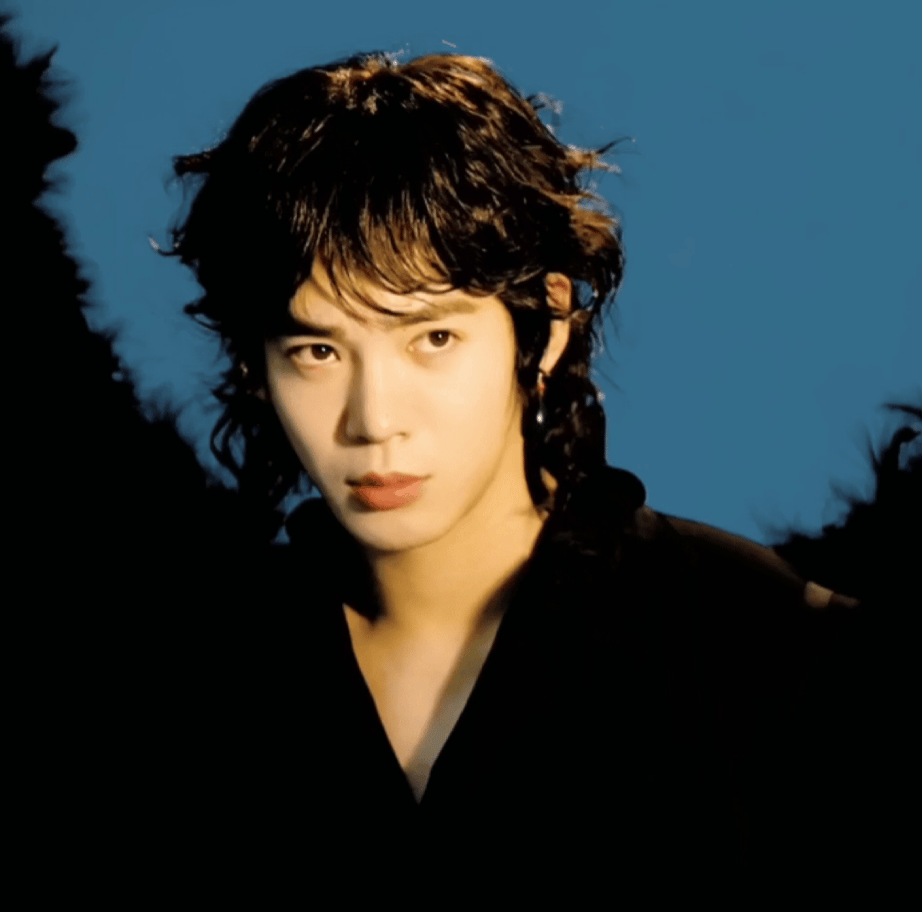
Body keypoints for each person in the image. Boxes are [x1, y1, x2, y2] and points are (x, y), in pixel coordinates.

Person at [160, 52, 881, 895]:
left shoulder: (766, 647)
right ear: (257, 365)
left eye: (433, 339)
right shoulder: (192, 672)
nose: (373, 420)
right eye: (317, 351)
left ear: (545, 328)